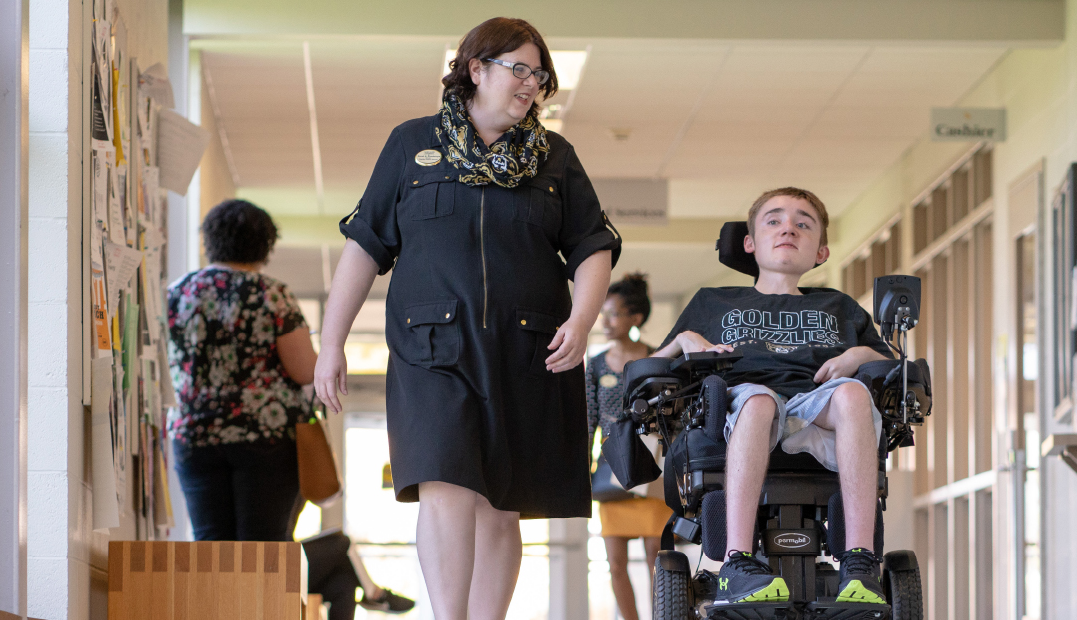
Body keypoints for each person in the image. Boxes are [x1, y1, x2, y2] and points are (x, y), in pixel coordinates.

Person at [312, 17, 621, 620]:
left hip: (528, 349)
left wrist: (582, 321)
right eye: (519, 69)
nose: (531, 83)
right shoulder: (411, 144)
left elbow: (593, 247)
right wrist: (332, 343)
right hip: (432, 347)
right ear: (477, 69)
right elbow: (365, 246)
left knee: (502, 503)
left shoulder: (555, 158)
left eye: (540, 74)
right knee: (445, 482)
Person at [654, 188, 891, 605]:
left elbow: (889, 362)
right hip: (743, 402)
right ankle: (736, 563)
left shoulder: (839, 306)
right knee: (758, 400)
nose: (788, 229)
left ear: (820, 251)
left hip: (816, 403)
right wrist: (683, 340)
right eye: (774, 220)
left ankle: (860, 563)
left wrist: (858, 353)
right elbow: (649, 367)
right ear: (750, 243)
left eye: (803, 224)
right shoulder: (714, 301)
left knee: (853, 394)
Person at [167, 199, 317, 541]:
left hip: (194, 433)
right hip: (265, 435)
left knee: (210, 546)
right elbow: (304, 370)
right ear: (266, 245)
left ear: (210, 241)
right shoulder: (272, 295)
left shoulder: (178, 293)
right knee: (262, 550)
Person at [586, 273, 668, 620]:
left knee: (658, 558)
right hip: (611, 468)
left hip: (653, 467)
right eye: (603, 314)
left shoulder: (659, 358)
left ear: (635, 318)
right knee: (615, 563)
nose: (605, 321)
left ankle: (663, 614)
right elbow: (587, 419)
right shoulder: (596, 364)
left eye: (614, 314)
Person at [302, 529, 415, 619]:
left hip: (293, 556)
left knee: (345, 584)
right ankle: (374, 593)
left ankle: (374, 594)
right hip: (287, 552)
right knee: (342, 543)